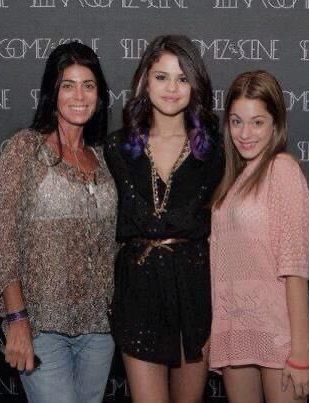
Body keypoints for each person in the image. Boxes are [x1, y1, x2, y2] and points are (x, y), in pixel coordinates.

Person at [0, 41, 117, 403]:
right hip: (41, 327)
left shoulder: (104, 161)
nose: (79, 95)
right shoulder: (24, 150)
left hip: (99, 331)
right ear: (52, 92)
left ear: (99, 94)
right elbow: (1, 240)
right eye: (68, 85)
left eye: (88, 85)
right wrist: (16, 319)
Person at [104, 35, 223, 403]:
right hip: (137, 292)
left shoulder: (213, 152)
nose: (172, 88)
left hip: (193, 292)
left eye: (182, 78)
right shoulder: (118, 147)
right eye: (161, 76)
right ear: (144, 80)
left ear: (195, 86)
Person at [210, 70, 309, 403]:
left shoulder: (281, 169)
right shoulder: (233, 180)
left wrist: (299, 352)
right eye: (237, 121)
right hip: (234, 331)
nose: (245, 133)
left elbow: (294, 266)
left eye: (257, 122)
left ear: (275, 123)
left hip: (277, 333)